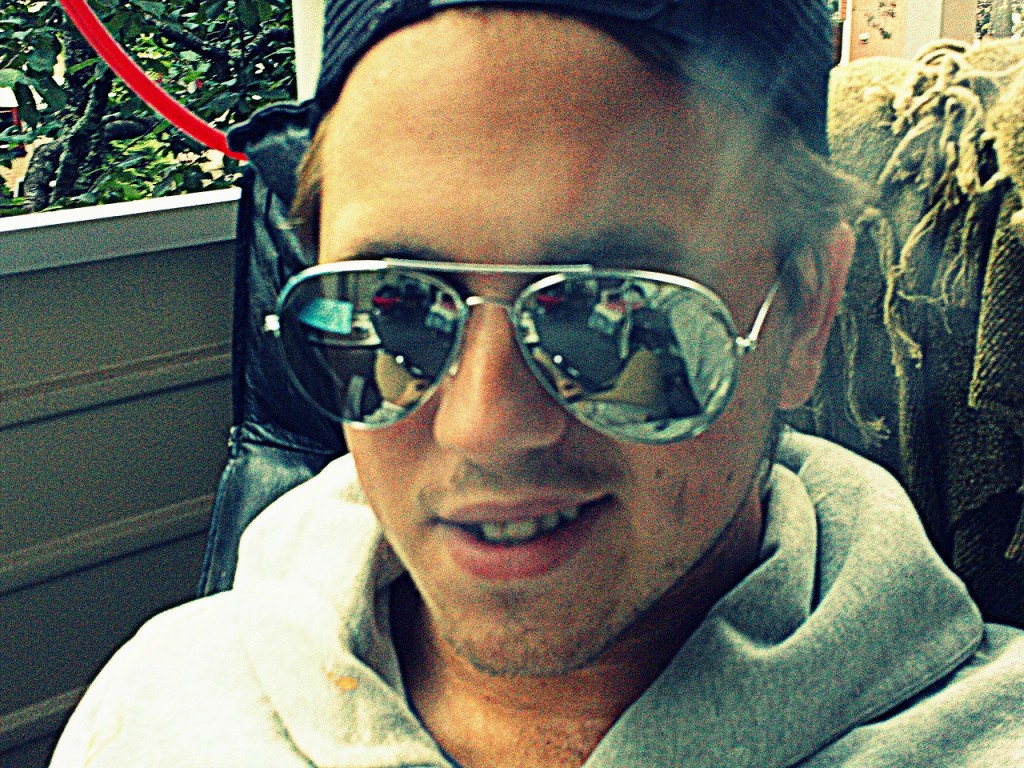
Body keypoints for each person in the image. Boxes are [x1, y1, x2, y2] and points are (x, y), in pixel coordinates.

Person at [50, 0, 1024, 766]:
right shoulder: (153, 708)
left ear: (806, 312)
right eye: (394, 308)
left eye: (616, 314)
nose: (484, 425)